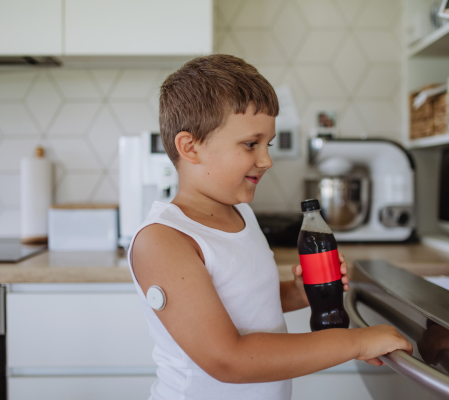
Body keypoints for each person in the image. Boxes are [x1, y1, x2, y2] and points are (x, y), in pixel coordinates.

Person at [128, 54, 413, 400]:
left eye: (268, 144)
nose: (266, 160)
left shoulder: (241, 214)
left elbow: (243, 300)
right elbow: (227, 358)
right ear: (190, 147)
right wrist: (354, 341)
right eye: (251, 144)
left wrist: (297, 291)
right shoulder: (163, 240)